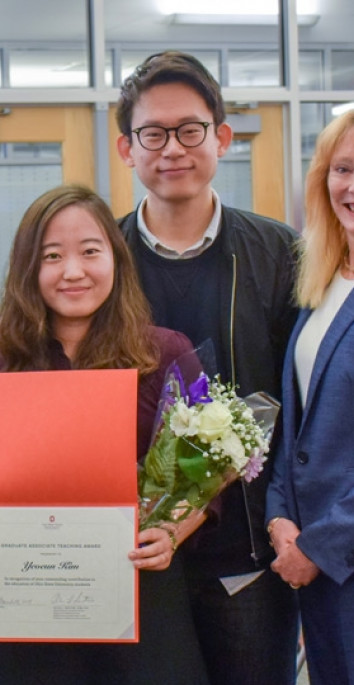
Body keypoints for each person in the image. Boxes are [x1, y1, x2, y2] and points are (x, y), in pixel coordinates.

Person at [0, 184, 209, 684]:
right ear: (30, 271)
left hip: (140, 599)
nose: (73, 271)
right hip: (33, 611)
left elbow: (205, 469)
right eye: (52, 256)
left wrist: (173, 531)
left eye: (90, 252)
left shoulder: (167, 354)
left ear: (116, 261)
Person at [115, 50, 300, 685]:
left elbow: (299, 405)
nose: (172, 149)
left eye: (190, 129)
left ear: (221, 138)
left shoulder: (279, 255)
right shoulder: (99, 261)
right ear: (126, 149)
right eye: (153, 133)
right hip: (130, 560)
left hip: (246, 563)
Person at [266, 110, 354, 685]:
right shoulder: (322, 280)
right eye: (343, 168)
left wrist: (320, 545)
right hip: (318, 570)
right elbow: (299, 420)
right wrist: (278, 513)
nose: (352, 186)